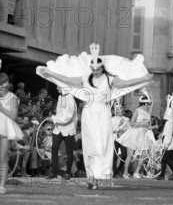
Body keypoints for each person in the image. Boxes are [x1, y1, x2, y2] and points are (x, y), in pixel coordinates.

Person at [38, 59, 152, 189]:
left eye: (98, 69)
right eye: (93, 68)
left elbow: (126, 83)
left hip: (102, 114)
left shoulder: (110, 79)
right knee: (90, 147)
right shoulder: (85, 78)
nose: (95, 71)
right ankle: (92, 179)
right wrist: (50, 73)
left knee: (100, 146)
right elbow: (67, 79)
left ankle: (97, 177)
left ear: (102, 68)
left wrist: (143, 78)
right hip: (88, 114)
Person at [0, 73, 24, 194]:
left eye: (2, 86)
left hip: (6, 127)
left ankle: (2, 185)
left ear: (7, 85)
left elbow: (14, 115)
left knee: (4, 157)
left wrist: (0, 107)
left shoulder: (14, 98)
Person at [47, 87, 77, 179]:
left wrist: (53, 119)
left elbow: (68, 117)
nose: (57, 88)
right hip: (59, 127)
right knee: (54, 147)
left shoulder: (70, 98)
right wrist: (54, 118)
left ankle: (68, 172)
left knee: (69, 151)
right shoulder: (60, 97)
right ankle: (53, 172)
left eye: (59, 86)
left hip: (68, 128)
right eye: (56, 86)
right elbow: (59, 113)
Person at [118, 96, 152, 179]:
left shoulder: (147, 112)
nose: (149, 106)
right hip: (136, 133)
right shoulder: (137, 111)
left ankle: (136, 172)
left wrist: (148, 126)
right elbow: (132, 123)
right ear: (145, 103)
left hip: (144, 134)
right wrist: (142, 124)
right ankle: (125, 172)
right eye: (148, 104)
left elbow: (148, 124)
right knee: (130, 154)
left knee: (144, 154)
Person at [155, 108, 173, 181]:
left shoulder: (169, 123)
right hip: (169, 143)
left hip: (168, 143)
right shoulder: (171, 123)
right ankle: (163, 174)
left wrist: (166, 144)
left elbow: (169, 135)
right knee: (164, 160)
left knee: (165, 159)